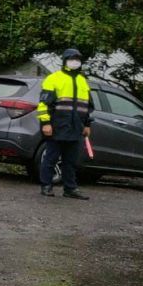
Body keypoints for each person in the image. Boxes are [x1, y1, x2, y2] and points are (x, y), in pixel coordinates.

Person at [37, 48, 93, 200]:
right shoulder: (53, 78)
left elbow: (87, 106)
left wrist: (87, 124)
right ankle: (46, 186)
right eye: (72, 58)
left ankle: (70, 188)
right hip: (57, 125)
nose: (75, 61)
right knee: (51, 158)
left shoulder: (82, 81)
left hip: (76, 127)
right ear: (65, 60)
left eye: (77, 59)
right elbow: (43, 104)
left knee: (71, 161)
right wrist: (46, 123)